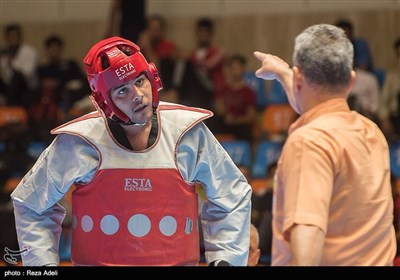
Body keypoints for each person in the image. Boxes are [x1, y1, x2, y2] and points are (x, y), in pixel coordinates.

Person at [11, 36, 252, 266]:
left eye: (140, 81)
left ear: (153, 79)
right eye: (122, 90)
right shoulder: (80, 140)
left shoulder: (187, 132)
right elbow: (31, 204)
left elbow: (233, 195)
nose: (138, 96)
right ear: (104, 102)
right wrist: (42, 265)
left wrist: (225, 259)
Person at [254, 24, 396, 266]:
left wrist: (291, 75)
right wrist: (283, 72)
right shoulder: (371, 132)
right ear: (350, 81)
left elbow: (307, 244)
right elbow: (314, 104)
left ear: (300, 78)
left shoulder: (309, 143)